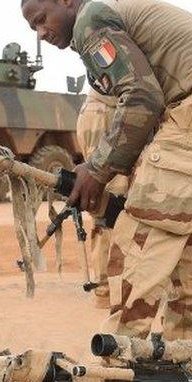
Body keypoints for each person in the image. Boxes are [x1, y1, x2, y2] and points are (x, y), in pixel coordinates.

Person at [21, 0, 192, 341]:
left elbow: (142, 97)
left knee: (138, 236)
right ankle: (182, 367)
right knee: (188, 246)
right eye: (33, 27)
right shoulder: (107, 18)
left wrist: (97, 169)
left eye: (40, 19)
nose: (40, 32)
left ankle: (120, 371)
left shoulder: (90, 22)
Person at [74, 87, 129, 309]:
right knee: (113, 200)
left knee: (103, 199)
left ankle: (105, 288)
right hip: (110, 111)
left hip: (97, 109)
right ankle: (110, 290)